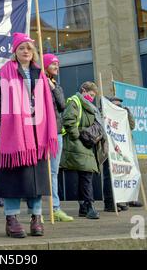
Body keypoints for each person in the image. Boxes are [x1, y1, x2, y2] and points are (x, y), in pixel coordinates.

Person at [0, 32, 58, 238]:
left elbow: (51, 105)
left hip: (37, 134)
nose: (25, 51)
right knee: (12, 179)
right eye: (21, 48)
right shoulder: (1, 73)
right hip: (13, 136)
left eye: (29, 48)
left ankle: (36, 217)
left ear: (34, 52)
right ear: (15, 51)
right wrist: (11, 123)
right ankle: (11, 219)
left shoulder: (41, 75)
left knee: (35, 179)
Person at [61, 81, 107, 220]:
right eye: (90, 94)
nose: (92, 98)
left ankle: (83, 207)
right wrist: (79, 136)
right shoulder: (75, 101)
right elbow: (68, 120)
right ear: (83, 90)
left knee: (84, 177)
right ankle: (90, 207)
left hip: (86, 144)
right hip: (79, 144)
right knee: (86, 176)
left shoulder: (89, 106)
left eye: (94, 96)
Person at [43, 53, 73, 222]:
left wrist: (53, 88)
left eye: (57, 64)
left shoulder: (57, 86)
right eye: (53, 64)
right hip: (41, 132)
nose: (56, 67)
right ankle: (37, 209)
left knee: (53, 171)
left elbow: (62, 106)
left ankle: (55, 208)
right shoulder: (38, 82)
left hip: (56, 133)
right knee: (40, 171)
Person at [102, 96, 135, 212]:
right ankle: (110, 202)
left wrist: (127, 113)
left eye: (120, 105)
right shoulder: (106, 114)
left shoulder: (123, 115)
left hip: (122, 151)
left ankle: (121, 201)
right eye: (116, 105)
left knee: (122, 175)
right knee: (109, 177)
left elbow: (132, 126)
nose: (118, 107)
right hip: (110, 149)